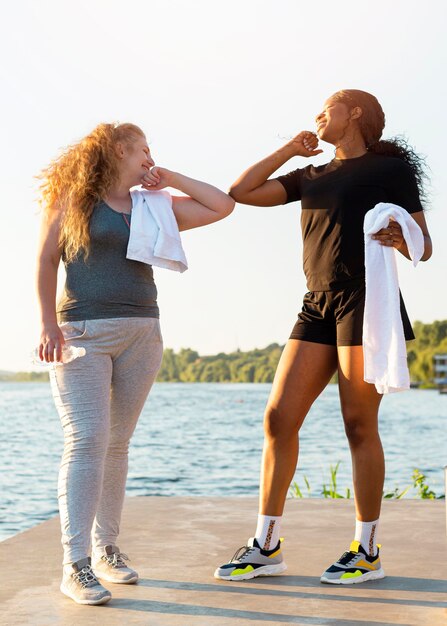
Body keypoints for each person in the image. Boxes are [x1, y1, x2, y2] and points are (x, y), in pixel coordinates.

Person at [214, 89, 432, 585]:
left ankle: (367, 550)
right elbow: (241, 191)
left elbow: (424, 243)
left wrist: (402, 239)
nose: (317, 115)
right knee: (277, 418)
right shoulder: (310, 176)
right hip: (316, 305)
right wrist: (290, 149)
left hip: (365, 299)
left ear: (353, 112)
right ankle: (266, 545)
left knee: (358, 424)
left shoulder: (389, 171)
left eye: (326, 107)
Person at [36, 122, 234, 605]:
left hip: (142, 332)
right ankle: (75, 564)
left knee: (117, 444)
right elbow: (45, 261)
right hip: (82, 331)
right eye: (143, 149)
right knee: (86, 440)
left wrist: (168, 176)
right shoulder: (71, 199)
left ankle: (106, 550)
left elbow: (221, 205)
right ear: (119, 150)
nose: (149, 156)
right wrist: (47, 324)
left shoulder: (154, 204)